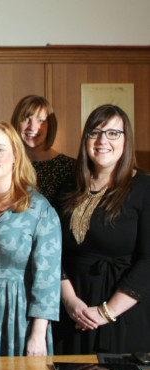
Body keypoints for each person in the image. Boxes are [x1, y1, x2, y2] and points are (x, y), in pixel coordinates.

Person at [53, 104, 150, 354]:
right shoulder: (68, 187)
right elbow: (52, 252)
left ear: (126, 139)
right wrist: (70, 301)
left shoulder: (144, 188)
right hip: (74, 315)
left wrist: (107, 312)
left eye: (113, 133)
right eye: (95, 132)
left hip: (124, 315)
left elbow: (148, 261)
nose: (102, 140)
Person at [0, 120, 61, 357]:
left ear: (16, 154)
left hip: (18, 315)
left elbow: (47, 280)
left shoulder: (39, 209)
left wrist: (38, 334)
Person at [10, 95, 75, 206]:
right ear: (17, 123)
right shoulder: (7, 165)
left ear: (50, 126)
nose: (32, 127)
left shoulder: (71, 167)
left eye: (41, 120)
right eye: (26, 119)